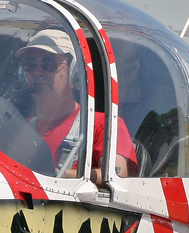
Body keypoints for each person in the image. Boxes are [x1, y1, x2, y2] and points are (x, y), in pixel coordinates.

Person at [16, 29, 135, 181]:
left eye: (49, 63)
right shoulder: (20, 129)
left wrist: (59, 175)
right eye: (29, 64)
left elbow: (116, 175)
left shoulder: (103, 125)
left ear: (75, 73)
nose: (37, 72)